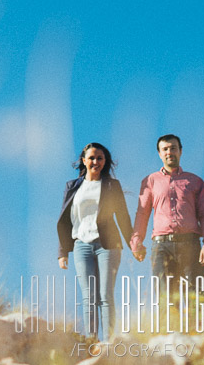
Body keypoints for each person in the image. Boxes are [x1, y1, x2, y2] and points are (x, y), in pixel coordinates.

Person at [57, 142, 134, 339]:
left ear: (105, 161)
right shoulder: (72, 187)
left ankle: (109, 342)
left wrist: (133, 244)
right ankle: (92, 341)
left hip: (107, 245)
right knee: (88, 297)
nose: (95, 162)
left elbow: (123, 217)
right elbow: (66, 220)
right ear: (83, 160)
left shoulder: (111, 186)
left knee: (105, 295)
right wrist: (62, 252)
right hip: (81, 245)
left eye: (100, 158)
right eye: (91, 158)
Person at [129, 134, 204, 291]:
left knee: (195, 299)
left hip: (191, 245)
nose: (169, 152)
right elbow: (142, 213)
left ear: (180, 151)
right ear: (160, 154)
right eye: (165, 149)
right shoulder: (150, 181)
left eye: (173, 148)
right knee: (165, 301)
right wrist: (136, 241)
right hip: (162, 247)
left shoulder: (195, 182)